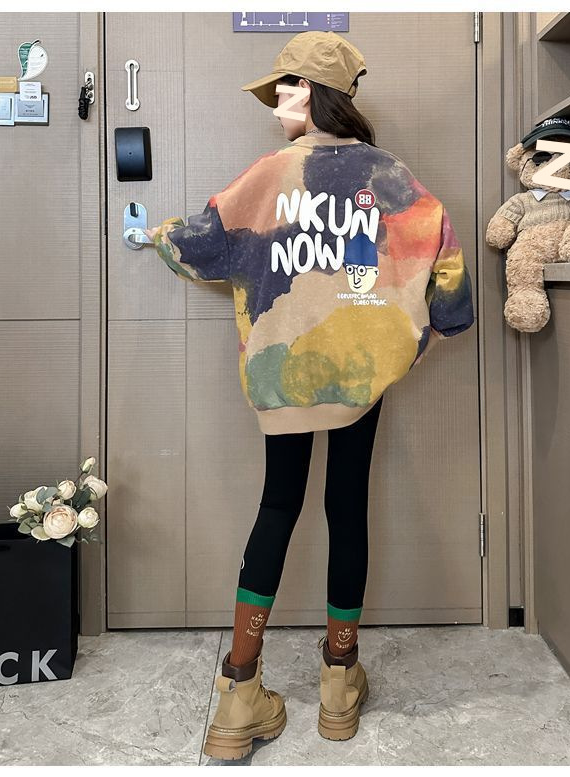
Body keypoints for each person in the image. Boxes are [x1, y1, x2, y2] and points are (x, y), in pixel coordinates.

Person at [145, 31, 475, 760]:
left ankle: (239, 693)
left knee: (277, 506)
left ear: (317, 92)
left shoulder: (270, 175)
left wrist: (158, 234)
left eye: (287, 87)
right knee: (346, 507)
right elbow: (444, 258)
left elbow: (203, 240)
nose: (276, 103)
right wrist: (442, 320)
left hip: (284, 372)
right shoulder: (391, 178)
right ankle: (338, 684)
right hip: (360, 372)